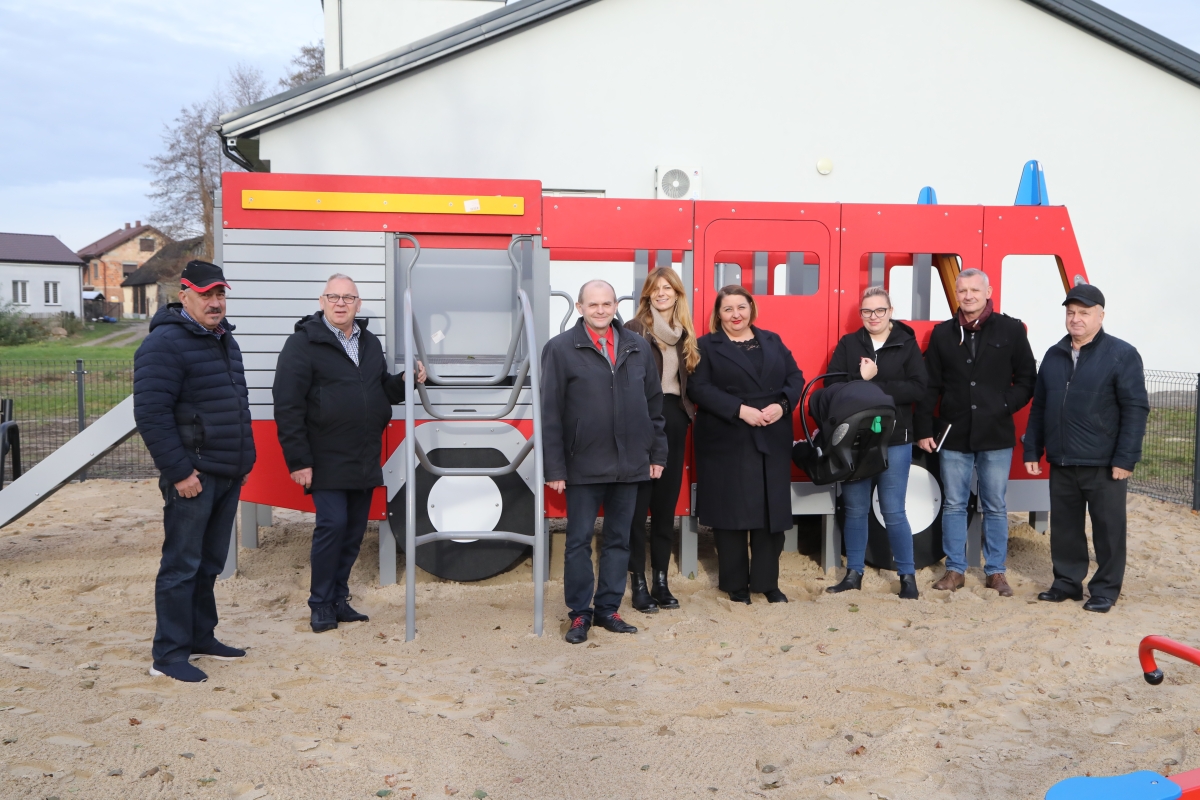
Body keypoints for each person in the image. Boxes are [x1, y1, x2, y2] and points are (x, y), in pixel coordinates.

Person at [272, 274, 426, 633]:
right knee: (333, 525)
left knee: (354, 529)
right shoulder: (302, 344)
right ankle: (320, 603)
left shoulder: (368, 342)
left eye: (348, 298)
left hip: (363, 453)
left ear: (358, 304)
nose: (341, 303)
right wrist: (298, 460)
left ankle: (340, 598)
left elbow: (378, 390)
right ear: (322, 301)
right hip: (324, 455)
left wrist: (406, 380)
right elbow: (287, 405)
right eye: (333, 297)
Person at [134, 260, 256, 683]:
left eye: (220, 294)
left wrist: (243, 463)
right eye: (206, 295)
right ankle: (167, 655)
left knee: (209, 564)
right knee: (181, 565)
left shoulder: (223, 340)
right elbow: (151, 414)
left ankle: (202, 636)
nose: (215, 302)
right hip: (193, 476)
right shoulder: (164, 344)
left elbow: (234, 405)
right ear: (183, 294)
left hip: (226, 471)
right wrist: (180, 471)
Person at [541, 280, 668, 644]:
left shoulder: (637, 346)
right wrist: (554, 468)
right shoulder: (560, 349)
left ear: (616, 305)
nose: (600, 310)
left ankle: (608, 609)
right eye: (592, 304)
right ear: (580, 307)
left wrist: (656, 453)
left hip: (630, 464)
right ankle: (580, 615)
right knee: (578, 541)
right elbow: (550, 413)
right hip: (582, 464)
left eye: (607, 303)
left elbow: (655, 406)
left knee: (619, 540)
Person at [1024, 284, 1148, 613]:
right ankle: (1066, 583)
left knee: (1108, 530)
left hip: (1105, 462)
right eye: (1071, 312)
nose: (1076, 318)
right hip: (1062, 459)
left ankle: (1105, 590)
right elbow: (1040, 407)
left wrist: (1126, 458)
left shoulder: (1122, 354)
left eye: (1084, 312)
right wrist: (1032, 449)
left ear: (1100, 316)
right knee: (1065, 528)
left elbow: (1136, 409)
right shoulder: (1053, 355)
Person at [916, 269, 1036, 597]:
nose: (968, 295)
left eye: (974, 290)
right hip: (954, 435)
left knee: (995, 505)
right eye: (963, 290)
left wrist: (1003, 404)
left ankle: (995, 572)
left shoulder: (1011, 329)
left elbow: (1027, 378)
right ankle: (955, 569)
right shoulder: (942, 334)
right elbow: (931, 385)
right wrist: (924, 427)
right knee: (954, 504)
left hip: (996, 434)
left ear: (988, 291)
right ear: (956, 293)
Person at [687, 285, 805, 604]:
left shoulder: (772, 340)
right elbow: (698, 388)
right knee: (732, 512)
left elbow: (795, 378)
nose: (735, 315)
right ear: (718, 314)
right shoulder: (706, 345)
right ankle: (735, 584)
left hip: (771, 432)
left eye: (741, 307)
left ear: (751, 308)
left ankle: (767, 583)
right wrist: (740, 410)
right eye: (728, 309)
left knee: (771, 511)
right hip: (728, 436)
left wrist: (782, 405)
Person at [825, 286, 927, 599]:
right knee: (855, 508)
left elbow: (919, 389)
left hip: (895, 439)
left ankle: (907, 577)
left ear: (890, 311)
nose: (873, 317)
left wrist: (875, 382)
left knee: (894, 510)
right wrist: (861, 382)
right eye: (867, 311)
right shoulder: (849, 344)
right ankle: (853, 573)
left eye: (879, 310)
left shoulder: (906, 344)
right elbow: (832, 386)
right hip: (857, 440)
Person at [622, 267, 700, 612]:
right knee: (638, 508)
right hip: (641, 419)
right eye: (656, 288)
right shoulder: (634, 329)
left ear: (677, 294)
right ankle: (638, 583)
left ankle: (661, 582)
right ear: (648, 294)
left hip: (674, 418)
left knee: (666, 506)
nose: (662, 293)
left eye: (668, 288)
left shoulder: (686, 334)